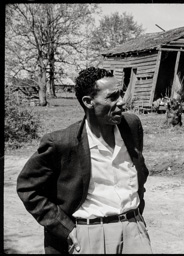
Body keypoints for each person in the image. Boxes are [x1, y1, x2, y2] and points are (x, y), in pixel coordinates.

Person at [17, 67, 152, 254]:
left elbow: (140, 173)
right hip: (91, 235)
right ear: (88, 102)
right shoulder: (63, 143)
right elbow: (28, 187)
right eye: (112, 97)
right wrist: (64, 227)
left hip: (135, 230)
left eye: (120, 94)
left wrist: (137, 215)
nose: (122, 102)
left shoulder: (131, 125)